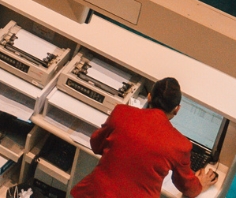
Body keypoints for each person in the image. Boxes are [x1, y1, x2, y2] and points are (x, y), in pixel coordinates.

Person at [69, 77, 218, 198]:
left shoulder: (121, 112)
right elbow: (188, 188)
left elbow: (96, 145)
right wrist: (200, 184)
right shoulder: (180, 145)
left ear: (149, 97)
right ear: (177, 109)